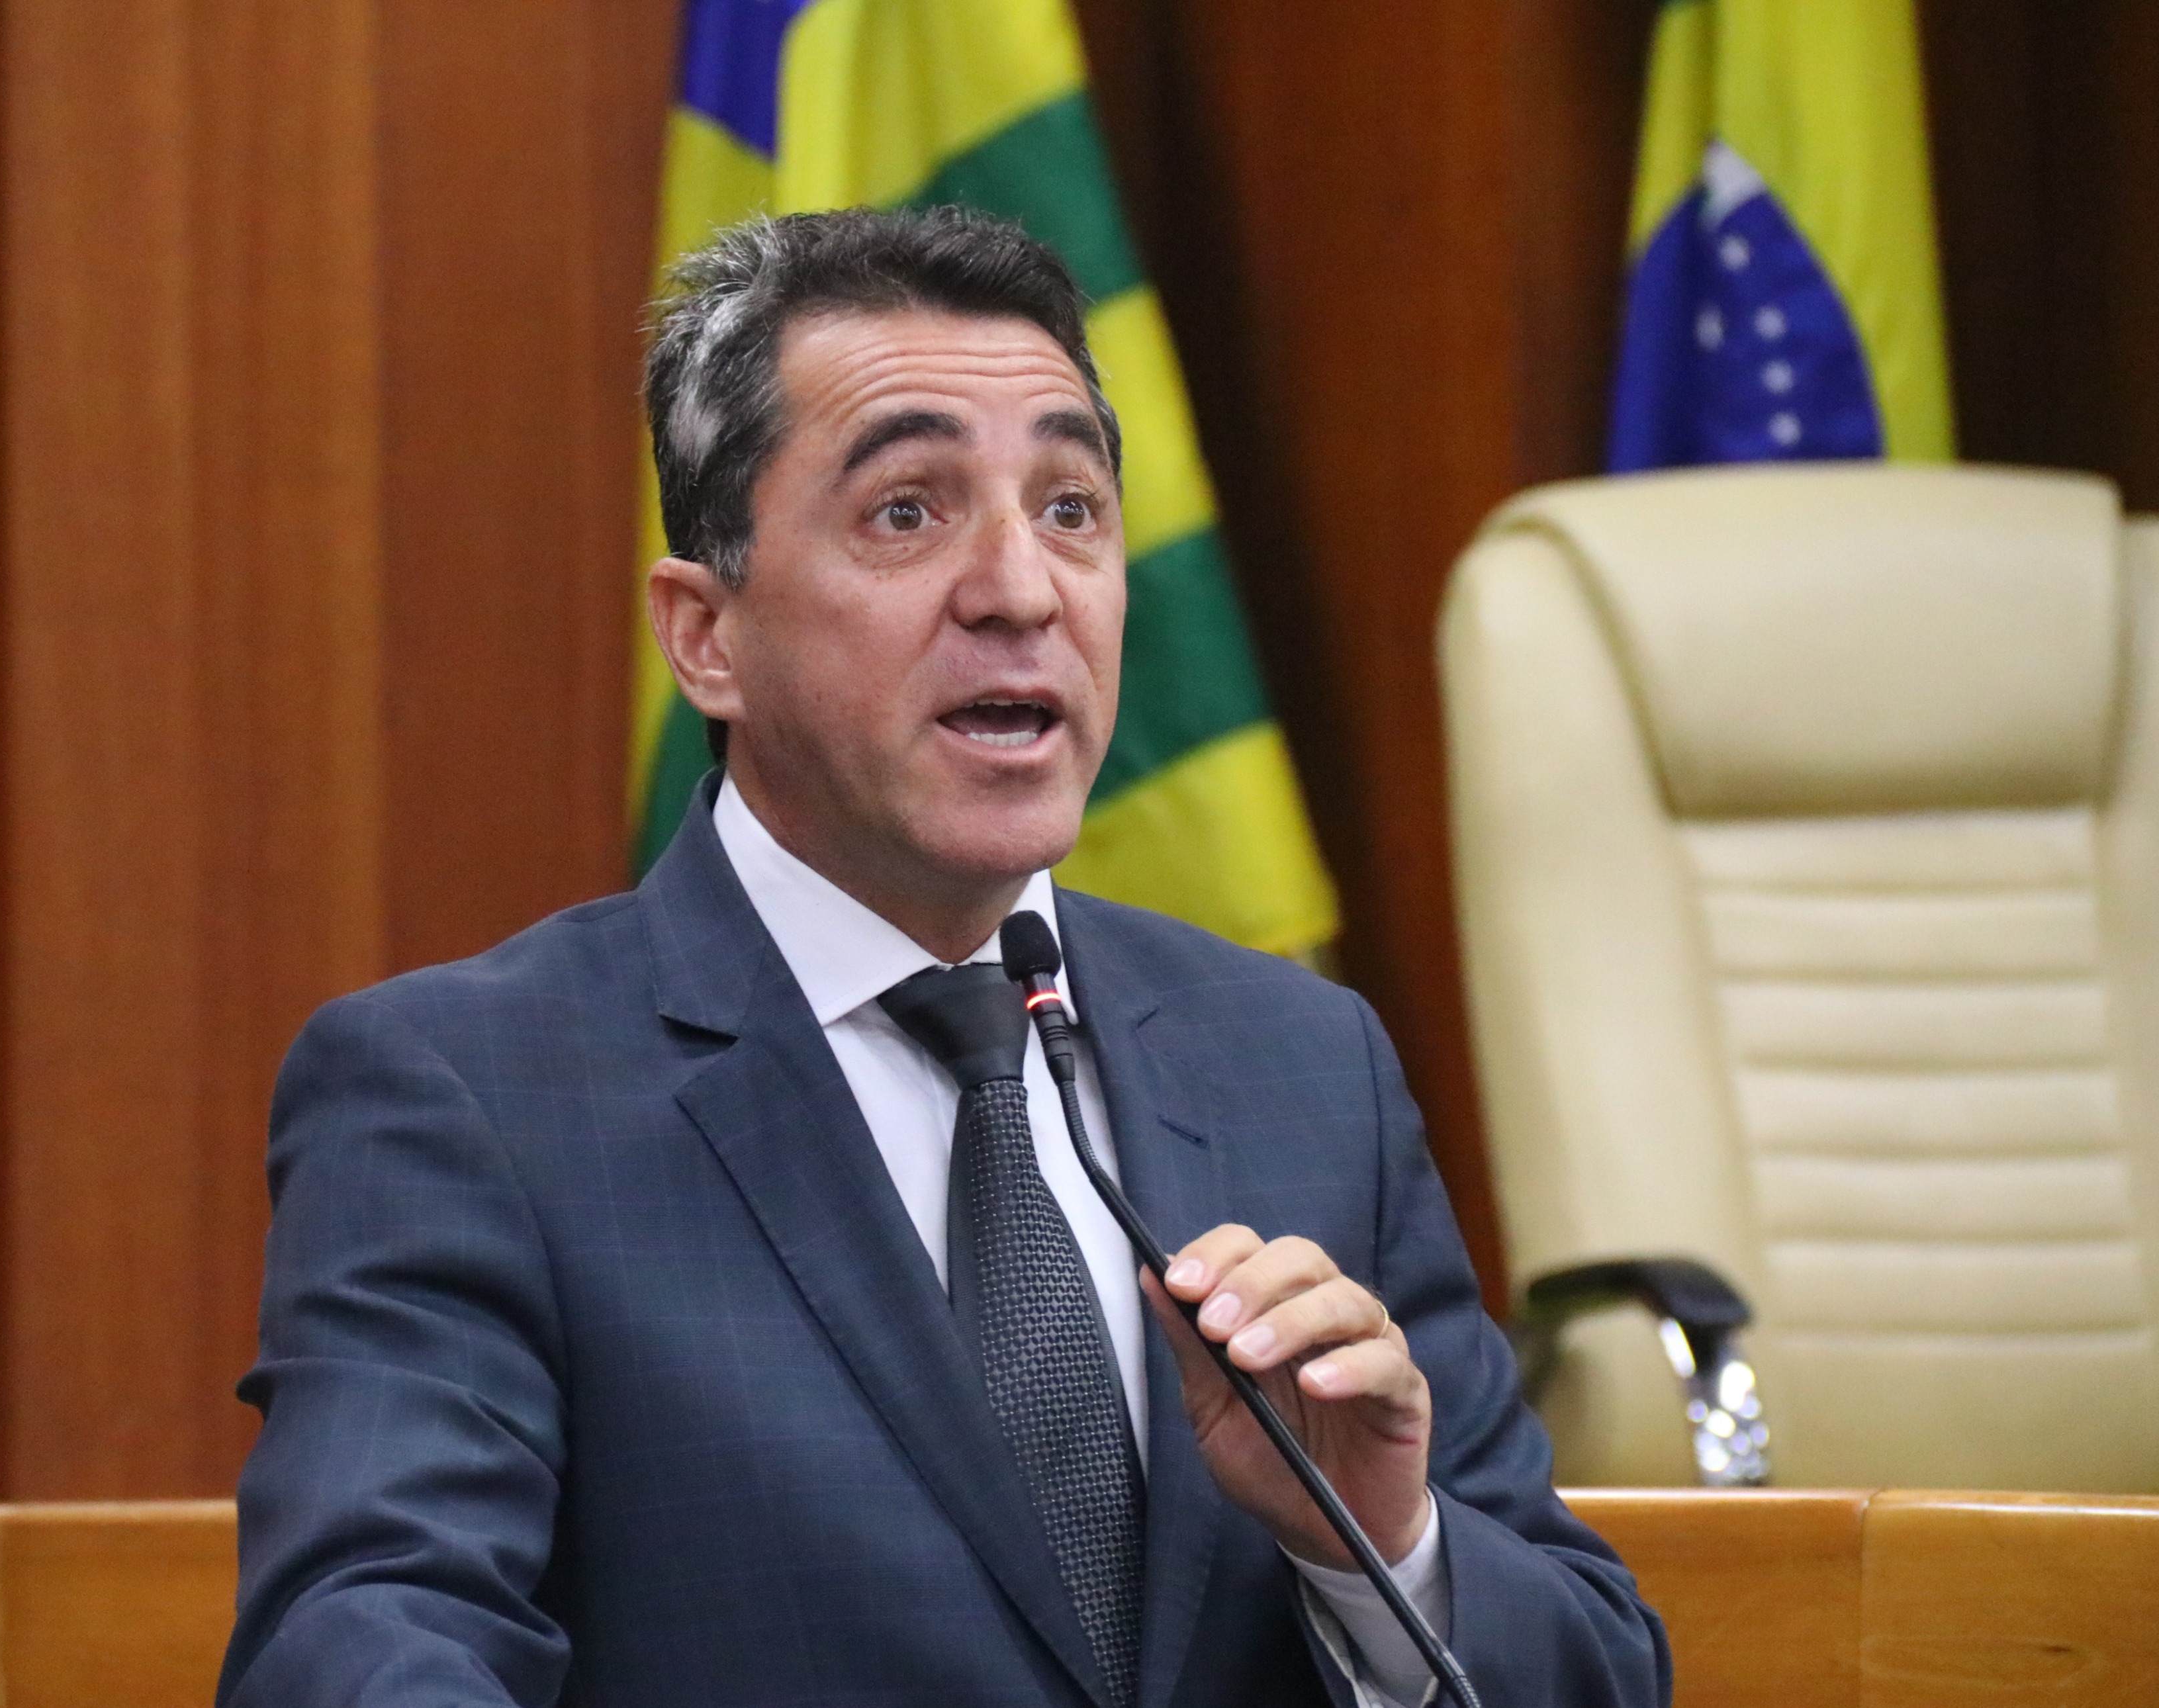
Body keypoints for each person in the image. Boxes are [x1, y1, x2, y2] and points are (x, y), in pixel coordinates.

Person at [219, 206, 1668, 1708]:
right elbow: (363, 1648)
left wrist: (1381, 1547)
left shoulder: (1300, 1065)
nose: (1021, 590)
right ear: (706, 636)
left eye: (1071, 508)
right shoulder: (473, 1097)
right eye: (907, 512)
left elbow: (1597, 1671)